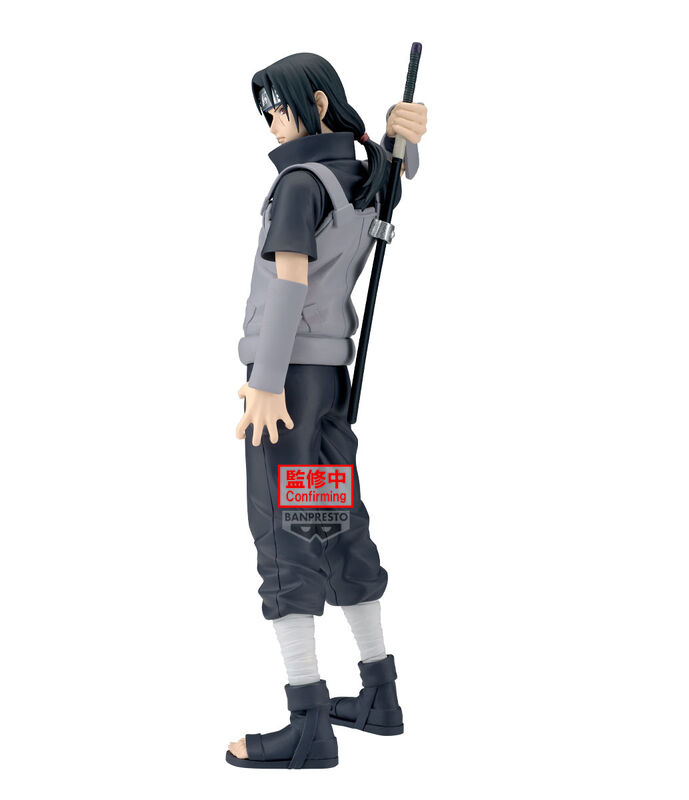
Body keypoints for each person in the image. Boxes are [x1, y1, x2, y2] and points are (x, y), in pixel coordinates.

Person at [227, 52, 427, 769]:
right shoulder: (358, 177)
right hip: (330, 381)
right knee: (333, 520)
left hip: (285, 379)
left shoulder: (299, 184)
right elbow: (395, 178)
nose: (271, 126)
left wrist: (266, 382)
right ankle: (379, 693)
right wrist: (403, 142)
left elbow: (288, 284)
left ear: (314, 103)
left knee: (283, 535)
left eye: (277, 109)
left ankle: (308, 721)